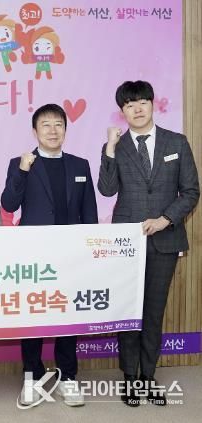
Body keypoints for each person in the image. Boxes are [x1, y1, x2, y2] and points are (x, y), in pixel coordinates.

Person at [98, 80, 199, 407]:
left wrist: (165, 219)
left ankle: (148, 377)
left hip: (164, 239)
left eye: (142, 102)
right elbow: (107, 189)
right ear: (122, 111)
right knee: (128, 312)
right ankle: (130, 377)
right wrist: (109, 148)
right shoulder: (117, 146)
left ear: (152, 104)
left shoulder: (176, 142)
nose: (137, 109)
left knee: (154, 312)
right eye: (129, 105)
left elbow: (191, 191)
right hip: (126, 242)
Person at [1, 103, 98, 407]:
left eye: (58, 124)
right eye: (46, 125)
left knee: (68, 315)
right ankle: (32, 376)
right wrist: (22, 171)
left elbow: (89, 211)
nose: (53, 130)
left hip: (71, 255)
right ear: (35, 131)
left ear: (65, 130)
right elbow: (9, 203)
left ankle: (68, 377)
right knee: (33, 315)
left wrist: (90, 251)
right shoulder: (20, 163)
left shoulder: (80, 165)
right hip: (35, 255)